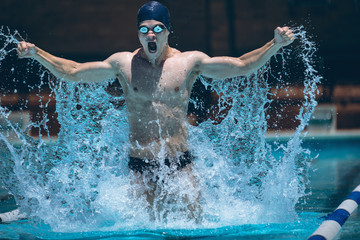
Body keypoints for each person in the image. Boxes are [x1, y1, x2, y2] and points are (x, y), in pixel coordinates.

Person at [16, 1, 294, 221]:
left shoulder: (189, 62)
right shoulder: (122, 64)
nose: (151, 34)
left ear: (168, 31)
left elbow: (242, 65)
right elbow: (74, 71)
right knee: (139, 229)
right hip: (139, 166)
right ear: (137, 32)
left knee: (195, 226)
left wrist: (275, 45)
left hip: (181, 164)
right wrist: (37, 52)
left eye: (158, 28)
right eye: (144, 29)